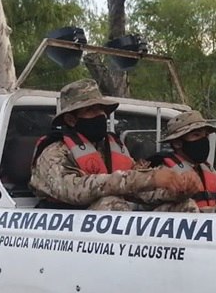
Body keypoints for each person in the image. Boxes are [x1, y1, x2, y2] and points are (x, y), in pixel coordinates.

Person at [30, 79, 202, 211]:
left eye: (101, 110)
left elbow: (137, 190)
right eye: (90, 110)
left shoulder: (111, 147)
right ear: (70, 119)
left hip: (111, 226)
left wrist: (176, 189)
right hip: (66, 227)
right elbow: (74, 191)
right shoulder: (53, 153)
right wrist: (150, 178)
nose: (100, 115)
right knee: (111, 204)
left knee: (184, 205)